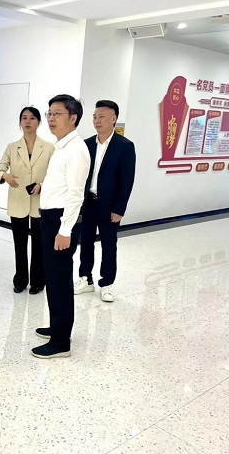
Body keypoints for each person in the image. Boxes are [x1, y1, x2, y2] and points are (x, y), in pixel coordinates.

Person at [32, 94, 90, 359]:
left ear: (73, 118)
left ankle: (61, 342)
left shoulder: (77, 149)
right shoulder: (61, 147)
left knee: (60, 280)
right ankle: (57, 327)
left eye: (57, 114)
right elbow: (61, 184)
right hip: (51, 218)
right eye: (50, 113)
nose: (51, 119)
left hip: (61, 221)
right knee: (53, 278)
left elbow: (76, 194)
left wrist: (65, 230)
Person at [75, 100, 136, 303]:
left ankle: (106, 284)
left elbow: (127, 180)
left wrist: (119, 208)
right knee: (86, 242)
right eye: (94, 117)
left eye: (101, 117)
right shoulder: (87, 144)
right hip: (88, 203)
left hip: (109, 206)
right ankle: (85, 279)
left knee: (109, 245)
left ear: (113, 119)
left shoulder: (124, 146)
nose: (97, 120)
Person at [0, 107, 55, 295]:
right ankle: (20, 280)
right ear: (20, 122)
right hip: (18, 200)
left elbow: (55, 175)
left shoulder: (49, 147)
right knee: (19, 244)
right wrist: (4, 175)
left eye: (32, 118)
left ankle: (38, 281)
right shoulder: (12, 147)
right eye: (24, 118)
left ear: (39, 122)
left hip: (39, 201)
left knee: (39, 244)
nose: (28, 121)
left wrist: (42, 185)